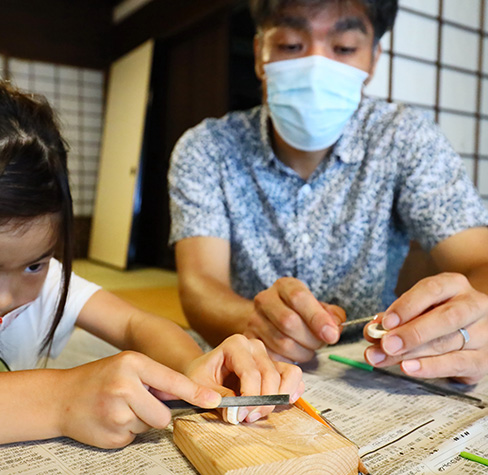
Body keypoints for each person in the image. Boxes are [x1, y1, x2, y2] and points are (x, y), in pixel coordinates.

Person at [0, 79, 304, 464]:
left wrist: (191, 371)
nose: (7, 298)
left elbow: (135, 324)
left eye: (35, 262)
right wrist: (61, 400)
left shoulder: (42, 283)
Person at [169, 0, 488, 385]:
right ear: (259, 55)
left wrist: (467, 320)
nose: (317, 66)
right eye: (290, 45)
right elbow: (200, 284)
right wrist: (254, 322)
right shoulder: (206, 147)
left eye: (344, 48)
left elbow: (480, 261)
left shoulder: (404, 138)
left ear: (373, 59)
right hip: (250, 365)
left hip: (373, 369)